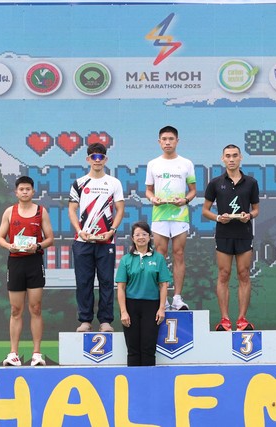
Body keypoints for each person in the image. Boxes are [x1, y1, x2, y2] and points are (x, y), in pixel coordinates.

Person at [0, 175, 54, 366]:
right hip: (15, 263)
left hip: (34, 262)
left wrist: (37, 246)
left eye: (28, 189)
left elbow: (50, 239)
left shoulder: (41, 211)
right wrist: (9, 246)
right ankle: (13, 353)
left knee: (35, 308)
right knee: (15, 310)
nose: (24, 192)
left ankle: (36, 354)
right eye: (21, 189)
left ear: (33, 191)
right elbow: (0, 238)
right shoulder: (9, 212)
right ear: (16, 192)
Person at [202, 144, 260, 331]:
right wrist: (219, 218)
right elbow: (205, 210)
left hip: (244, 234)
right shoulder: (215, 183)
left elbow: (256, 210)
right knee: (224, 274)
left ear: (241, 157)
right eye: (228, 156)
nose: (231, 159)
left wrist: (248, 216)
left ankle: (242, 319)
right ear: (223, 159)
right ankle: (225, 319)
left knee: (244, 274)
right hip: (223, 234)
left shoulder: (251, 182)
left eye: (235, 155)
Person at [69, 143, 125, 333]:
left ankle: (105, 321)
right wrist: (79, 230)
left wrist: (112, 230)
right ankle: (85, 320)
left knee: (106, 281)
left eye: (101, 157)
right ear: (88, 159)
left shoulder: (114, 183)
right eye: (94, 157)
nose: (97, 160)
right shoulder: (79, 183)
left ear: (106, 159)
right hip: (82, 241)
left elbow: (120, 209)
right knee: (83, 282)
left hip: (106, 240)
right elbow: (72, 210)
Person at [145, 125, 196, 311]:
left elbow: (193, 191)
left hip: (179, 215)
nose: (168, 142)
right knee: (160, 256)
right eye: (164, 139)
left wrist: (184, 200)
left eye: (171, 139)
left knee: (179, 254)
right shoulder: (153, 164)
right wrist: (153, 199)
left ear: (177, 141)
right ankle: (163, 299)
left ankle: (177, 298)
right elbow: (148, 190)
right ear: (159, 142)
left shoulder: (186, 163)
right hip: (160, 215)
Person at [116, 221, 170, 366]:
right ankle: (133, 379)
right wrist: (123, 311)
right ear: (132, 238)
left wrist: (161, 308)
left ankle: (149, 379)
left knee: (148, 347)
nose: (141, 237)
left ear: (149, 237)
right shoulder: (126, 259)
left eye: (144, 234)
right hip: (131, 305)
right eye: (137, 235)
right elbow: (121, 287)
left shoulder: (158, 258)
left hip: (152, 306)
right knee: (133, 348)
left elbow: (163, 285)